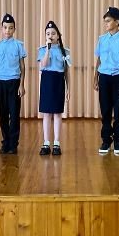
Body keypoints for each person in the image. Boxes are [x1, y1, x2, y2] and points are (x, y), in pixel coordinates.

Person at [94, 6, 119, 155]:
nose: (106, 24)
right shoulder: (101, 39)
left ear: (117, 22)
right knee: (105, 111)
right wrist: (95, 78)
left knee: (118, 111)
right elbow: (98, 60)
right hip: (104, 77)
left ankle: (117, 140)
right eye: (105, 21)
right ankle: (106, 140)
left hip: (118, 78)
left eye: (109, 21)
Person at [0, 13, 27, 154]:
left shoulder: (18, 45)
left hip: (14, 82)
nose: (7, 31)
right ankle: (5, 142)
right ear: (1, 28)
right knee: (3, 114)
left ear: (14, 29)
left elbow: (22, 67)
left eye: (10, 28)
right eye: (5, 28)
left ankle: (13, 144)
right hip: (1, 83)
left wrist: (22, 84)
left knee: (14, 114)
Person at [37, 20, 71, 156]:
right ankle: (46, 142)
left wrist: (68, 89)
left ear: (58, 35)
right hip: (47, 81)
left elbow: (67, 72)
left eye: (53, 33)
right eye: (48, 33)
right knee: (46, 113)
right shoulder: (42, 50)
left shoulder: (65, 51)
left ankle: (56, 142)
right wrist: (47, 49)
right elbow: (43, 65)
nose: (50, 35)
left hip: (58, 82)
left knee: (57, 113)